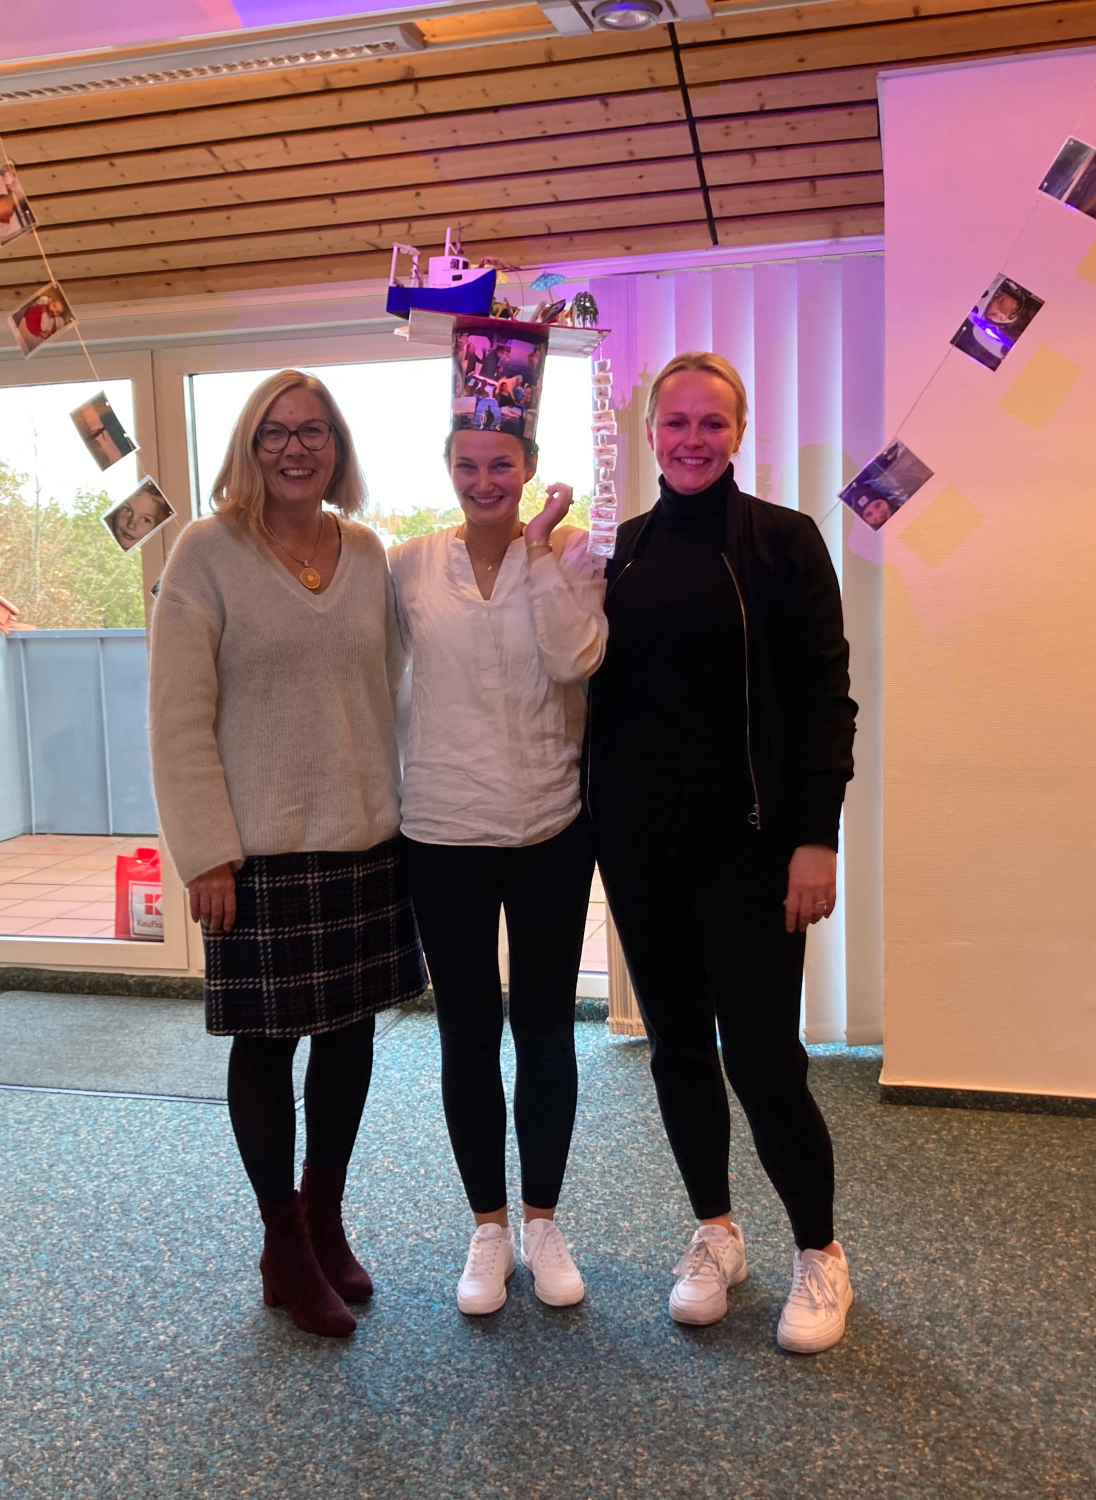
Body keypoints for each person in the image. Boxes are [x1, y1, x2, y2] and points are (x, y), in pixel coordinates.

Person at [587, 350, 860, 1355]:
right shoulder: (618, 553)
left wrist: (815, 838)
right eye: (676, 422)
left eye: (712, 423)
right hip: (640, 845)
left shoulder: (783, 543)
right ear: (650, 433)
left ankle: (819, 1251)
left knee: (761, 1056)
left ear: (738, 433)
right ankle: (714, 1233)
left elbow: (828, 701)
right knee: (676, 1050)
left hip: (750, 845)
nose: (692, 439)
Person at [149, 369, 427, 1339]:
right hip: (255, 856)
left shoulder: (367, 552)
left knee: (349, 1040)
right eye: (274, 432)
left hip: (363, 840)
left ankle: (323, 1221)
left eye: (312, 432)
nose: (294, 448)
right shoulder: (204, 554)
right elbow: (177, 720)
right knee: (267, 1047)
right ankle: (281, 1246)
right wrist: (204, 855)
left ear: (336, 448)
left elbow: (388, 692)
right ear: (248, 446)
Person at [390, 425, 606, 1317]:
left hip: (552, 825)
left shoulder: (573, 554)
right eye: (468, 466)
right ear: (448, 471)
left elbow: (574, 659)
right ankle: (488, 1227)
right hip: (442, 832)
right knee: (469, 1034)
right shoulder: (407, 565)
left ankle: (543, 1221)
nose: (485, 481)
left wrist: (541, 544)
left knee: (547, 1032)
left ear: (529, 470)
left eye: (502, 466)